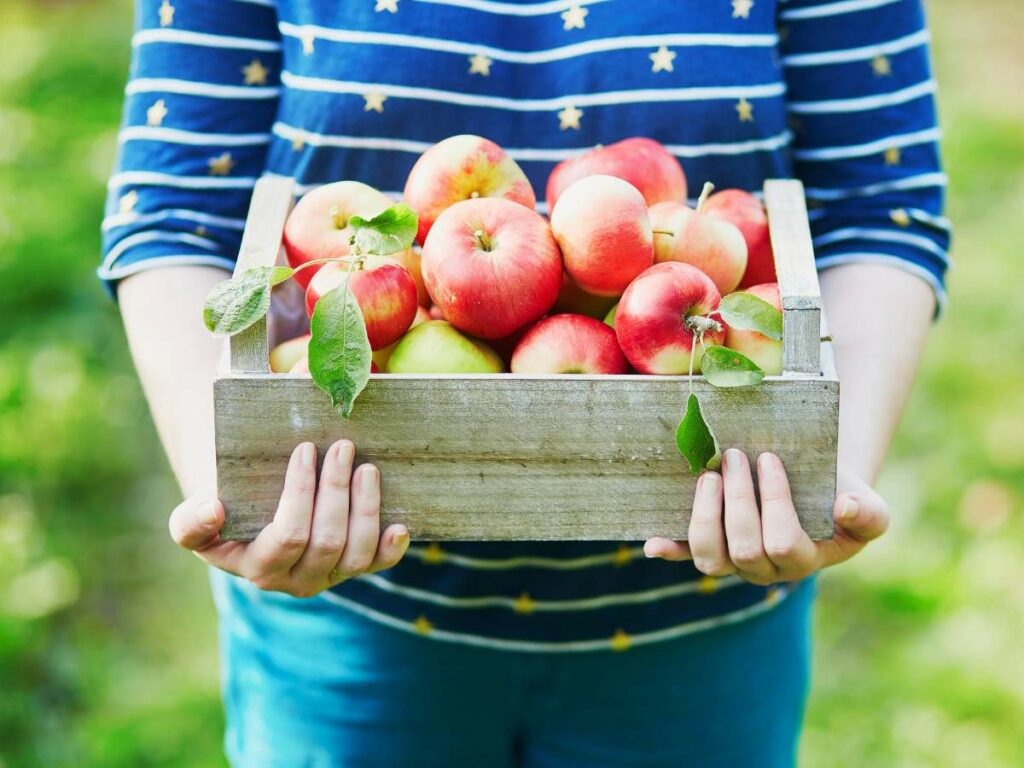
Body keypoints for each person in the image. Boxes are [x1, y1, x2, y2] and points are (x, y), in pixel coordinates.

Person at [102, 1, 949, 765]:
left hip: (700, 625)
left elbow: (880, 207)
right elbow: (174, 211)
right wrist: (234, 494)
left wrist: (823, 476)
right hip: (352, 623)